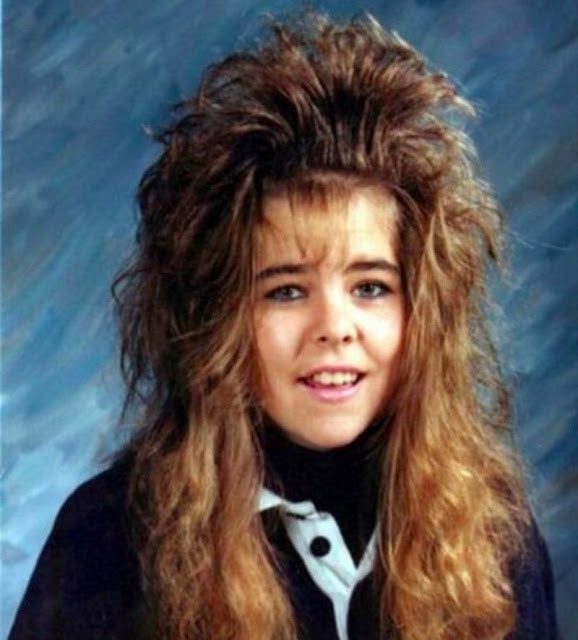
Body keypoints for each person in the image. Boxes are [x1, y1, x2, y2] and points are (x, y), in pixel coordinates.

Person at [9, 12, 559, 640]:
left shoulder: (494, 534)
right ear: (216, 319)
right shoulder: (106, 541)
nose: (335, 328)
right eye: (287, 291)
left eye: (371, 287)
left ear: (423, 313)